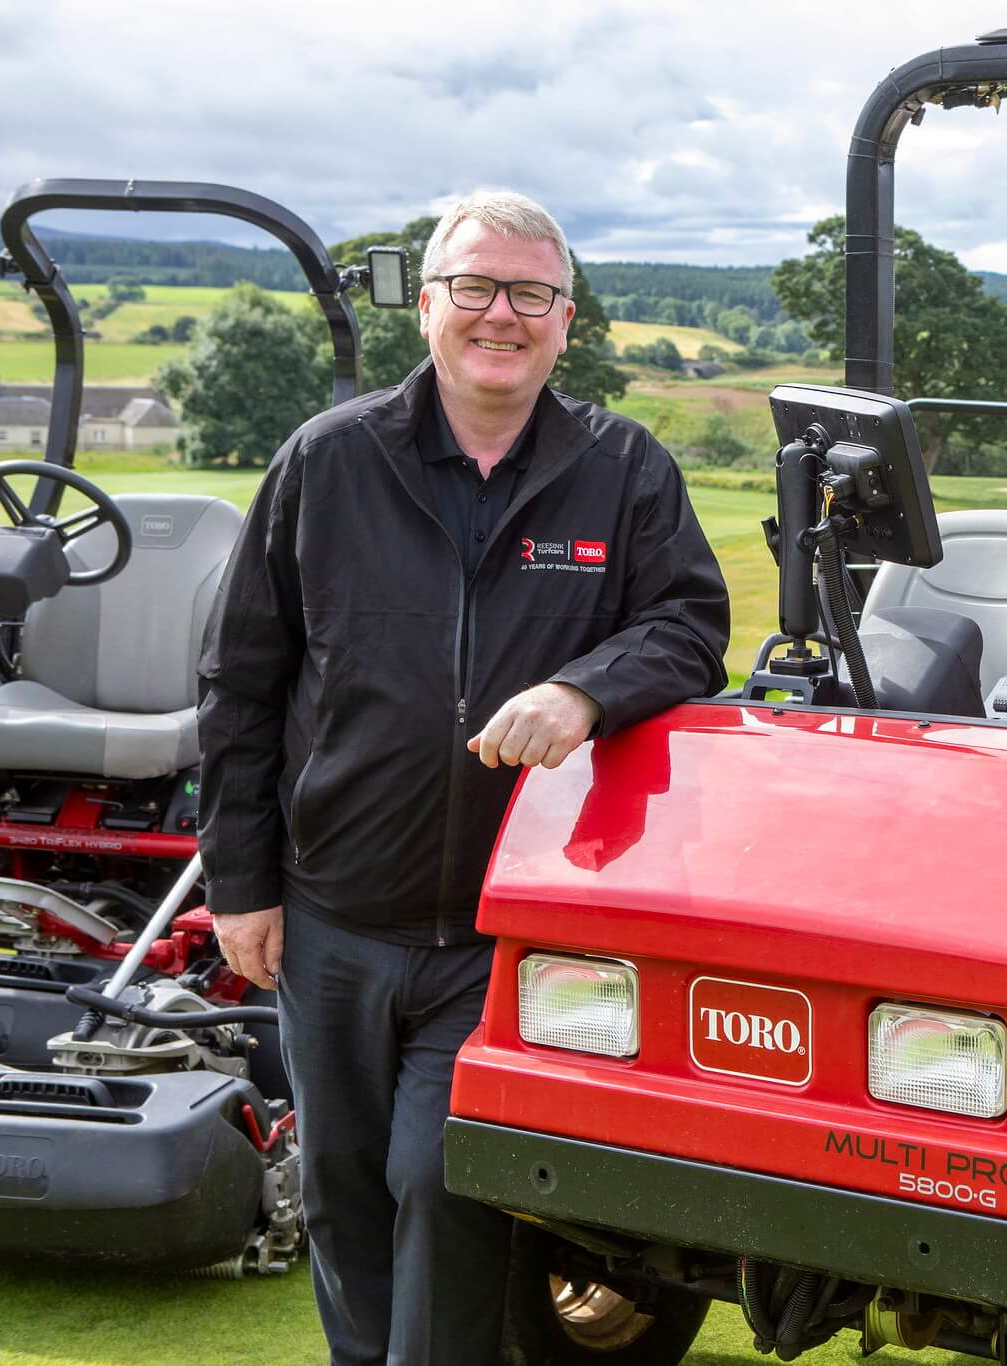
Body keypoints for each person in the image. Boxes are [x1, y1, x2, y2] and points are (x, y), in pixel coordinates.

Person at [199, 190, 729, 1365]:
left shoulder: (622, 469)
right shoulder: (327, 461)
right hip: (335, 913)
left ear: (566, 319)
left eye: (531, 293)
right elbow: (240, 682)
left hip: (510, 926)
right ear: (427, 306)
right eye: (477, 287)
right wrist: (240, 883)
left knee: (440, 1181)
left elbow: (690, 628)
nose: (502, 314)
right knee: (342, 1189)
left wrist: (583, 689)